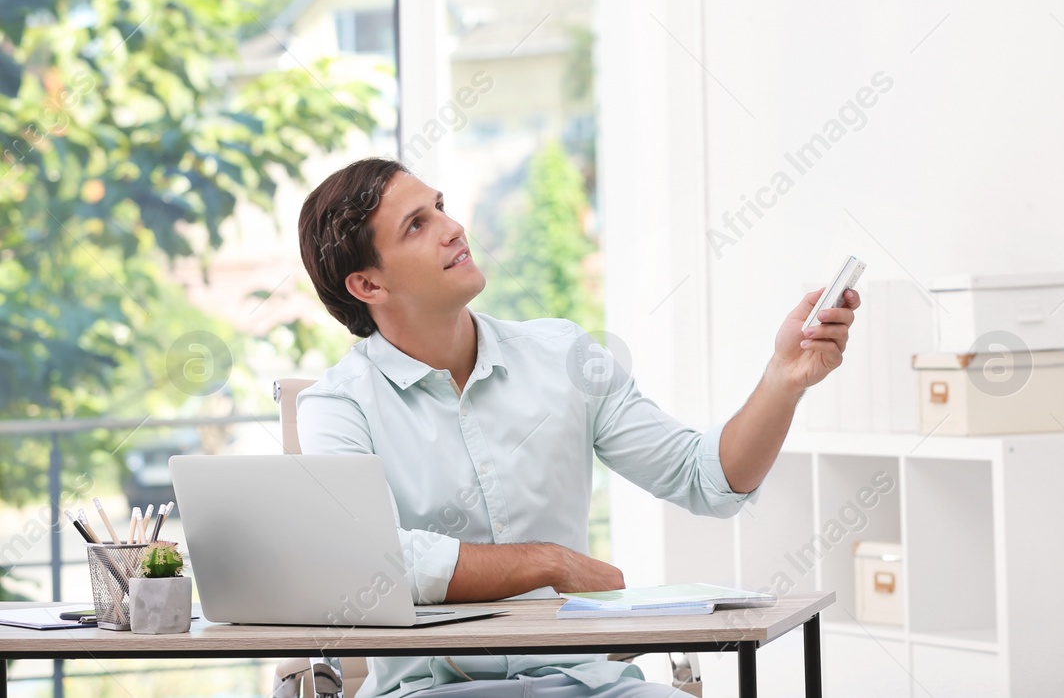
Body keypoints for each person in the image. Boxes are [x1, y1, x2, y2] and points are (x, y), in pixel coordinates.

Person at [293, 157, 858, 698]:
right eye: (418, 225)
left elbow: (707, 480)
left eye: (440, 206)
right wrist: (549, 562)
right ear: (367, 286)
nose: (453, 227)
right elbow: (370, 560)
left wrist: (784, 379)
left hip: (586, 684)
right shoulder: (338, 407)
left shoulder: (562, 354)